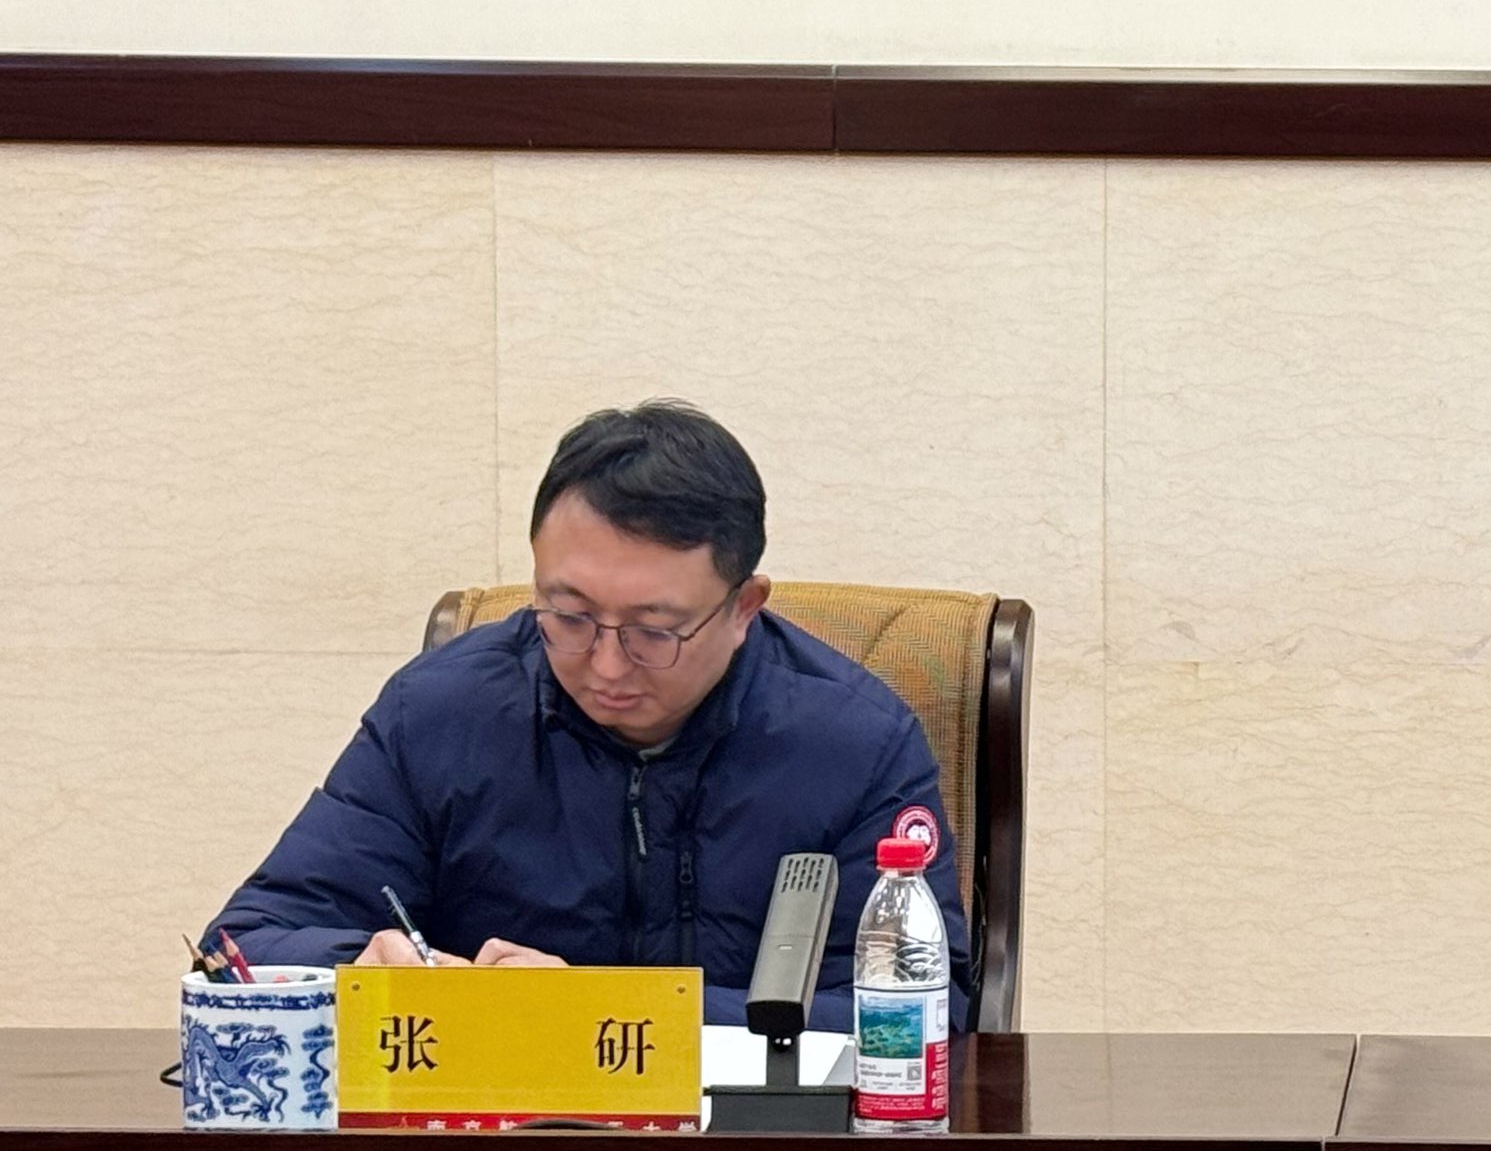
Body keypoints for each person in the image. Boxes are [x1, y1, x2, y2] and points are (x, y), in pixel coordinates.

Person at [214, 401, 972, 1033]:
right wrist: (358, 967)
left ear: (744, 606)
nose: (606, 665)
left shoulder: (854, 744)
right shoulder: (442, 712)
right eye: (569, 615)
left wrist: (596, 1010)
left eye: (654, 630)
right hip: (489, 1147)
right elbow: (244, 946)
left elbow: (924, 1012)